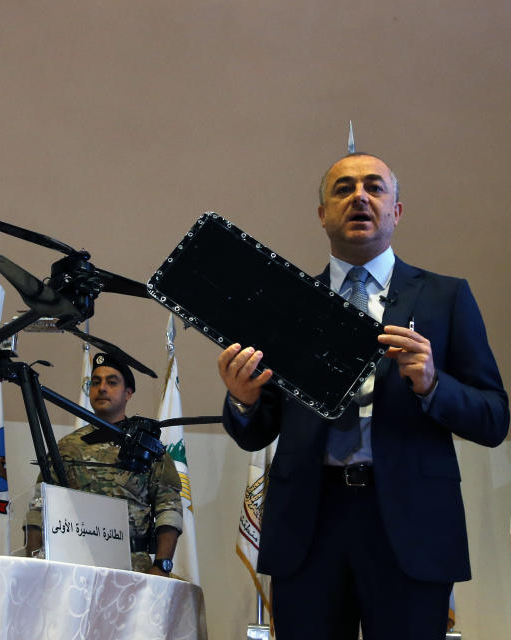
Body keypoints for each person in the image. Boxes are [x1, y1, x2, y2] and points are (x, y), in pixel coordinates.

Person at [217, 152, 509, 638]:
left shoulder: (446, 297)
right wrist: (244, 399)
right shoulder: (286, 306)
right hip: (309, 525)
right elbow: (257, 430)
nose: (359, 197)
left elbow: (494, 418)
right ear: (322, 215)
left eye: (374, 187)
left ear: (396, 211)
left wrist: (434, 384)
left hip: (411, 525)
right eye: (343, 188)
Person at [26, 352, 183, 577]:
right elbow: (39, 506)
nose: (102, 388)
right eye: (96, 382)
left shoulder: (148, 448)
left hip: (133, 569)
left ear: (128, 393)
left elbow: (170, 509)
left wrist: (162, 565)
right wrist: (34, 561)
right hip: (72, 564)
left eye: (112, 382)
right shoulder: (67, 446)